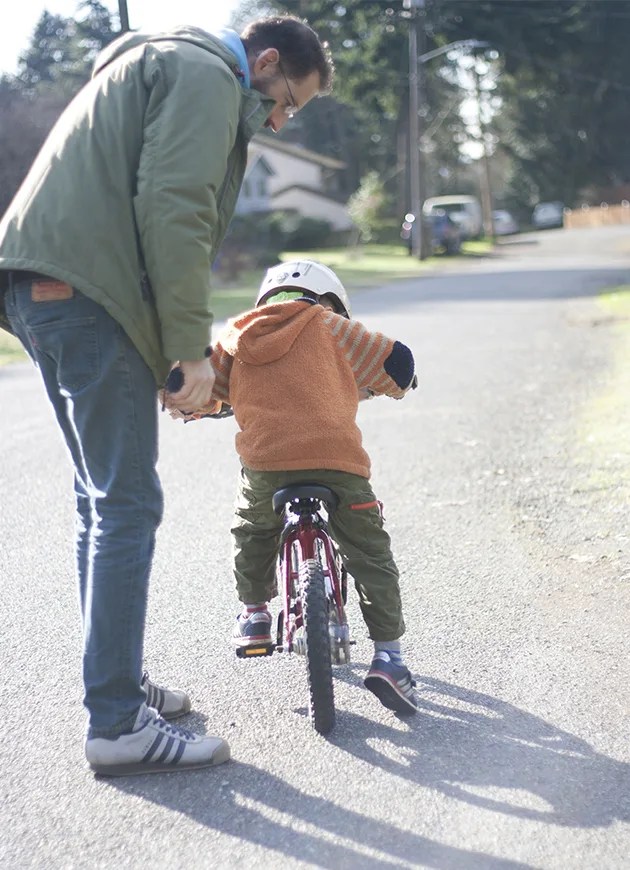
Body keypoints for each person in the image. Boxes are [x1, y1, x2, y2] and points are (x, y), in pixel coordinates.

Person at [0, 17, 334, 776]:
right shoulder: (208, 77)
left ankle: (118, 681)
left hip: (40, 286)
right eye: (287, 100)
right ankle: (116, 721)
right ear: (267, 61)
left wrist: (161, 358)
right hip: (84, 291)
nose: (281, 119)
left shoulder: (153, 64)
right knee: (127, 503)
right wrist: (190, 351)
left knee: (100, 499)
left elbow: (128, 209)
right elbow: (174, 207)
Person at [169, 261, 419, 714]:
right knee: (370, 554)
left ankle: (255, 615)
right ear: (327, 299)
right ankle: (389, 659)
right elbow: (395, 362)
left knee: (252, 527)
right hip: (337, 463)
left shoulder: (237, 336)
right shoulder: (333, 327)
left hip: (267, 466)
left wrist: (189, 404)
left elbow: (197, 386)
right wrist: (402, 383)